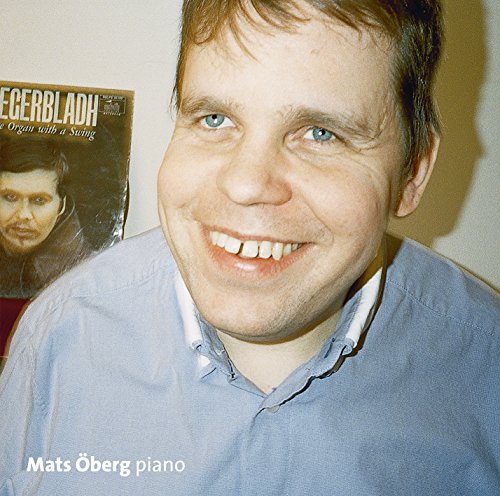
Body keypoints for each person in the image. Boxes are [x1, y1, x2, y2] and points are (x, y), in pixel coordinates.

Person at [0, 1, 498, 495]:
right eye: (215, 119)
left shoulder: (486, 368)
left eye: (321, 133)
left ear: (413, 173)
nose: (246, 184)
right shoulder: (59, 338)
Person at [0, 137, 91, 298]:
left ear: (61, 206)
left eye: (39, 200)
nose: (23, 215)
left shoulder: (88, 270)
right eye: (10, 197)